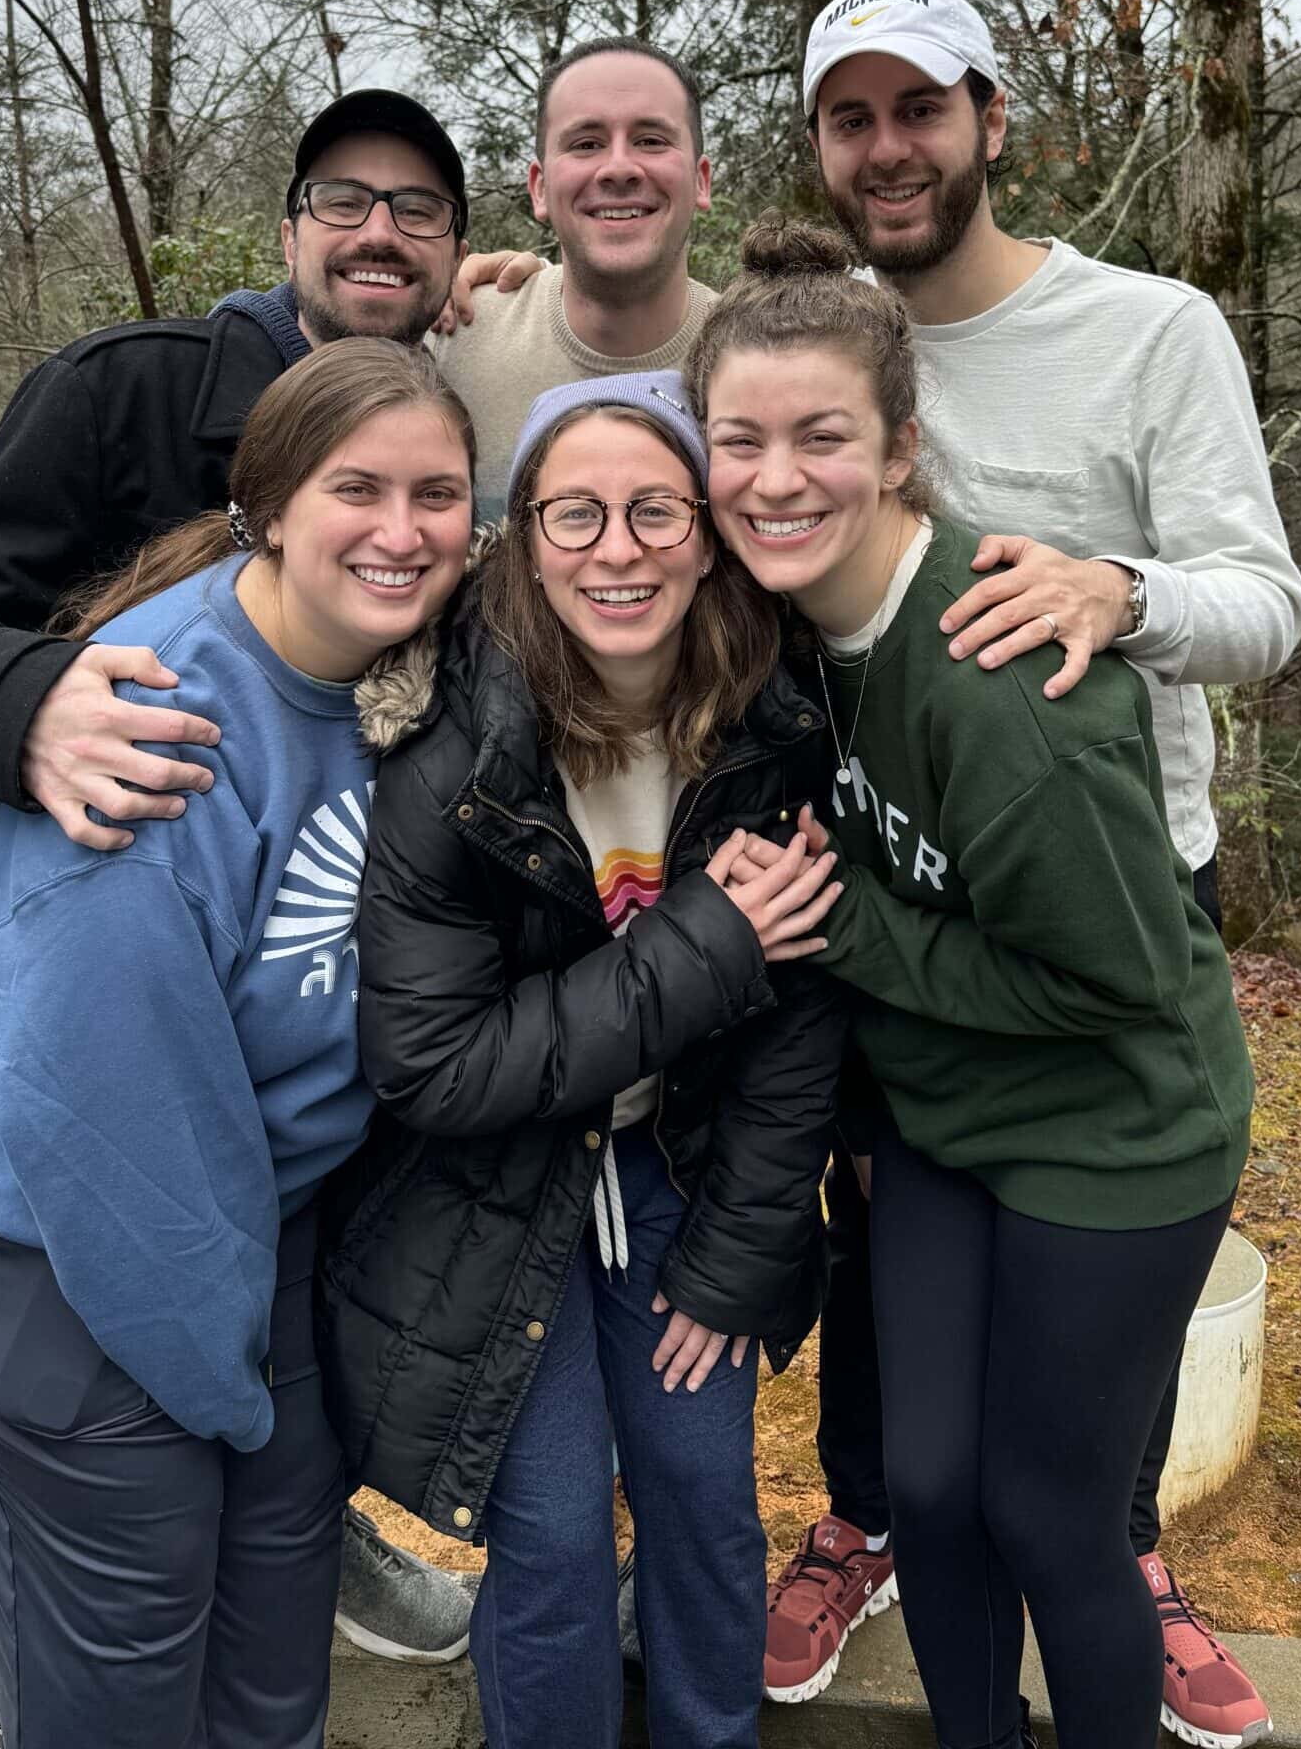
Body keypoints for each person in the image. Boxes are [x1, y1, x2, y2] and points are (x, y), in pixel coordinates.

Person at [0, 90, 485, 1748]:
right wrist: (22, 703)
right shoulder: (146, 722)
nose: (401, 530)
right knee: (135, 1598)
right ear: (268, 500)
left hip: (237, 1209)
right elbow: (114, 1114)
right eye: (357, 490)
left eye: (439, 496)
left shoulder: (398, 677)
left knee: (263, 1613)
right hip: (45, 1207)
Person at [743, 0, 1301, 1747]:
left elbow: (1268, 603)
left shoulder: (1147, 330)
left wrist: (1118, 591)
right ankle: (881, 1531)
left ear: (993, 118)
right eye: (851, 118)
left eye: (922, 108)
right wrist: (494, 277)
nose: (887, 148)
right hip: (897, 902)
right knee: (915, 1387)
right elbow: (689, 387)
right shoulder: (820, 343)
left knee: (1063, 1461)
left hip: (1099, 888)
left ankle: (1114, 1566)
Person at [317, 372, 848, 1749]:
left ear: (708, 535)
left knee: (701, 1497)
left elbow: (797, 1031)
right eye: (577, 515)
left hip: (684, 1167)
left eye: (656, 511)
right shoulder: (457, 750)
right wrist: (709, 939)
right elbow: (435, 1066)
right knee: (549, 1532)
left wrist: (738, 1257)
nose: (620, 550)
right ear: (525, 539)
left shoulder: (773, 722)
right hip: (499, 1188)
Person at [427, 36, 717, 493]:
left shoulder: (756, 354)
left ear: (701, 181)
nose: (618, 168)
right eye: (585, 144)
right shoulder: (449, 340)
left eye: (651, 140)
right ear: (539, 188)